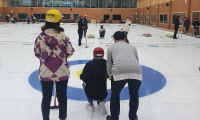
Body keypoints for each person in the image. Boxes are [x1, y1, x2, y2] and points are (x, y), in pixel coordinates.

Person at [34, 9, 75, 120]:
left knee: (46, 98)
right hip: (62, 71)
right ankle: (62, 118)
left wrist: (47, 59)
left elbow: (37, 53)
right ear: (59, 21)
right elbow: (70, 52)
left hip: (45, 72)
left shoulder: (39, 38)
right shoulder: (64, 38)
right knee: (62, 97)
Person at [106, 31, 142, 120]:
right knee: (134, 95)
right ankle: (133, 117)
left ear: (114, 39)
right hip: (136, 72)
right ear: (125, 39)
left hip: (118, 72)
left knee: (115, 95)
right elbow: (137, 60)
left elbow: (109, 64)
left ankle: (114, 117)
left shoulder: (111, 48)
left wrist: (111, 76)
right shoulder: (132, 47)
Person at [80, 47, 108, 115]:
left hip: (90, 91)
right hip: (102, 92)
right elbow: (109, 75)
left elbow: (83, 77)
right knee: (103, 82)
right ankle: (101, 101)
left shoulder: (89, 64)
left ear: (93, 54)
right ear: (103, 54)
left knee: (84, 84)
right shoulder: (107, 64)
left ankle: (91, 104)